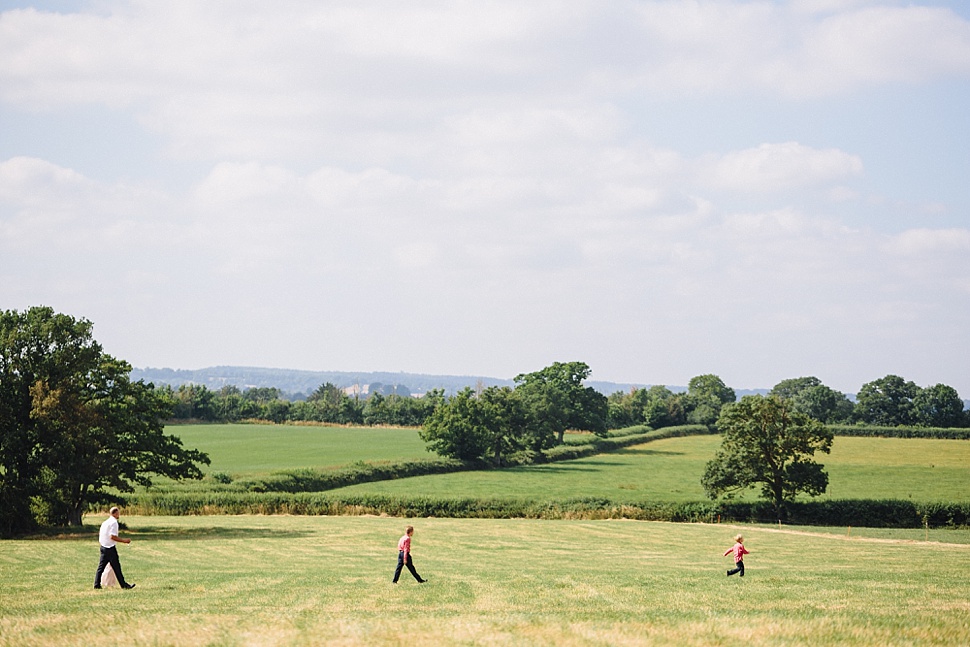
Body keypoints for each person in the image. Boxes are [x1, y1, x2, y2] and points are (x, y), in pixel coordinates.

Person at [94, 506, 135, 590]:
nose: (119, 514)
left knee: (101, 567)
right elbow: (112, 536)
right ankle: (124, 585)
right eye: (118, 513)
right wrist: (124, 541)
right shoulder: (114, 523)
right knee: (117, 567)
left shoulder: (105, 522)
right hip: (110, 548)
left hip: (103, 547)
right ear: (115, 513)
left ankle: (96, 584)